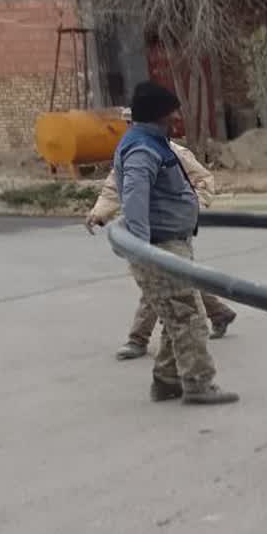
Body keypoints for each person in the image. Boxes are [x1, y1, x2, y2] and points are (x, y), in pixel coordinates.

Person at [105, 81, 238, 406]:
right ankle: (198, 384)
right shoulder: (142, 150)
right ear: (160, 114)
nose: (177, 117)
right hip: (160, 247)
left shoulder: (153, 142)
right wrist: (144, 251)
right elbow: (135, 199)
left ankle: (167, 381)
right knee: (189, 318)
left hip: (170, 244)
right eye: (173, 111)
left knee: (177, 316)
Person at [87, 131, 236, 359]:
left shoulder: (172, 152)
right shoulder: (132, 151)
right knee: (176, 280)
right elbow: (115, 187)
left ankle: (138, 339)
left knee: (157, 283)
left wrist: (186, 210)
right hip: (147, 226)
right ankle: (219, 312)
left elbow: (203, 181)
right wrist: (99, 213)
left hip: (173, 228)